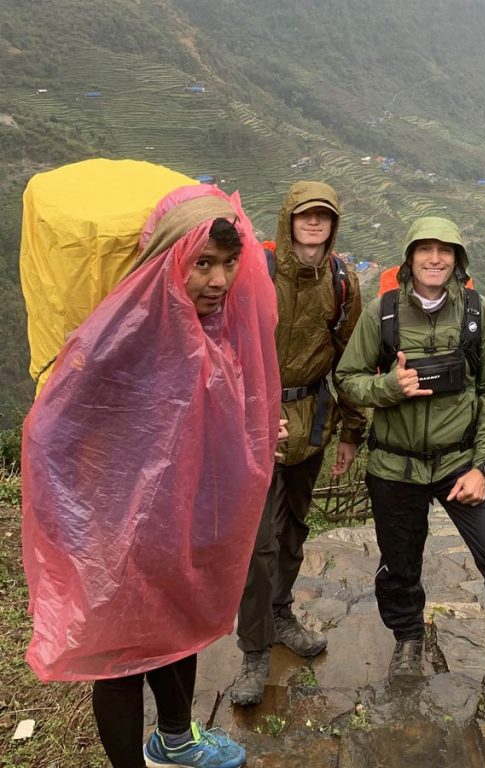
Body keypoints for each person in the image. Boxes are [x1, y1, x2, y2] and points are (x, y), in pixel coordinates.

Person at [21, 185, 280, 768]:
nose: (218, 280)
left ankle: (175, 740)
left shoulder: (214, 326)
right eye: (202, 264)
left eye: (228, 263)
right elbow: (49, 434)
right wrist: (86, 525)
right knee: (121, 661)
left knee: (177, 631)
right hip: (119, 538)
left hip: (182, 525)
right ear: (169, 259)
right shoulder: (124, 333)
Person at [336, 216, 485, 719]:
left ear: (458, 259)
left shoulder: (480, 315)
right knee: (399, 566)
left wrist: (482, 465)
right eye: (425, 250)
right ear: (409, 258)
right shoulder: (383, 314)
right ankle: (409, 638)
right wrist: (387, 390)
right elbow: (347, 379)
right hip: (394, 466)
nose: (435, 259)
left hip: (461, 461)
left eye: (445, 250)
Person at [231, 181, 365, 706]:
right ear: (288, 219)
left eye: (323, 217)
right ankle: (254, 649)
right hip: (254, 424)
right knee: (258, 541)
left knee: (293, 531)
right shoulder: (255, 273)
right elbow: (224, 349)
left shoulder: (342, 283)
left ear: (333, 225)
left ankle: (282, 612)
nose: (313, 224)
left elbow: (350, 362)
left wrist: (351, 432)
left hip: (310, 421)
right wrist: (251, 410)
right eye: (305, 215)